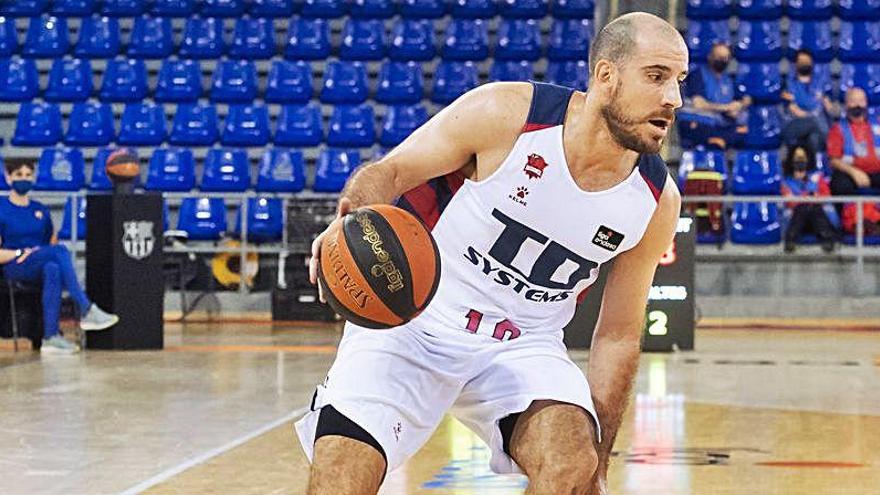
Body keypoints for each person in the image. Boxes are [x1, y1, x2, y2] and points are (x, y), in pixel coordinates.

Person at [296, 12, 684, 495]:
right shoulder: (508, 114)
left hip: (523, 343)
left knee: (570, 466)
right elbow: (389, 173)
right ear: (606, 76)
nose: (674, 98)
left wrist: (598, 463)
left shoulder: (655, 200)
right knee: (339, 479)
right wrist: (350, 223)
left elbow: (619, 336)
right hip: (414, 326)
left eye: (679, 80)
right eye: (656, 77)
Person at [0, 161, 119, 354]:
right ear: (8, 177)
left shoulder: (40, 210)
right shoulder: (1, 208)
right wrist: (20, 252)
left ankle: (50, 337)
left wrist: (37, 253)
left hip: (39, 262)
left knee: (52, 268)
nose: (23, 179)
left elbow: (49, 243)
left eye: (28, 175)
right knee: (61, 251)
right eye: (18, 174)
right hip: (14, 265)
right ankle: (86, 308)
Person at [678, 42, 750, 149]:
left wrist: (739, 105)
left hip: (718, 123)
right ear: (710, 56)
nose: (722, 60)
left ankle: (718, 140)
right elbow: (699, 104)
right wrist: (726, 108)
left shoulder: (727, 79)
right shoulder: (697, 75)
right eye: (718, 56)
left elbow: (747, 99)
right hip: (697, 122)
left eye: (725, 57)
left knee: (744, 130)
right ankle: (715, 141)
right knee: (704, 132)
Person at [780, 145, 838, 253]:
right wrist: (808, 196)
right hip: (796, 220)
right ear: (791, 159)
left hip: (818, 219)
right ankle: (790, 240)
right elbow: (789, 201)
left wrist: (806, 198)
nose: (800, 160)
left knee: (812, 208)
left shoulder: (817, 177)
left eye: (803, 157)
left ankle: (827, 239)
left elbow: (826, 196)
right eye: (797, 157)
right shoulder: (786, 181)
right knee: (804, 207)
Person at [827, 87, 880, 197]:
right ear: (846, 104)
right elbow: (834, 161)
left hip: (877, 171)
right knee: (839, 184)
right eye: (853, 101)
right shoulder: (838, 129)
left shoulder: (877, 124)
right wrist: (854, 172)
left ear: (866, 103)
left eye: (861, 101)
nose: (858, 105)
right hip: (850, 173)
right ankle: (849, 213)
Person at [781, 49, 837, 153]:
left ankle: (814, 164)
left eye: (807, 61)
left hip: (817, 126)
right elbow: (794, 110)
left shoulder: (820, 83)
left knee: (814, 137)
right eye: (801, 61)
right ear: (796, 63)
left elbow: (830, 109)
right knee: (816, 122)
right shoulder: (788, 84)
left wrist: (829, 106)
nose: (804, 63)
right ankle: (831, 145)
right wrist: (813, 115)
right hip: (795, 124)